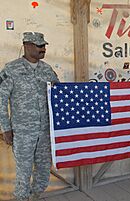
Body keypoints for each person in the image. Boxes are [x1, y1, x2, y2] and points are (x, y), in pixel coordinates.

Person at [0, 32, 59, 201]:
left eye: (44, 45)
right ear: (27, 46)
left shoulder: (47, 69)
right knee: (24, 171)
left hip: (45, 131)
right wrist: (6, 128)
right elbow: (1, 100)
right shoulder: (11, 69)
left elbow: (60, 94)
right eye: (40, 46)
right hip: (23, 132)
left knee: (43, 169)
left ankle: (35, 196)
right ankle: (21, 198)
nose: (43, 49)